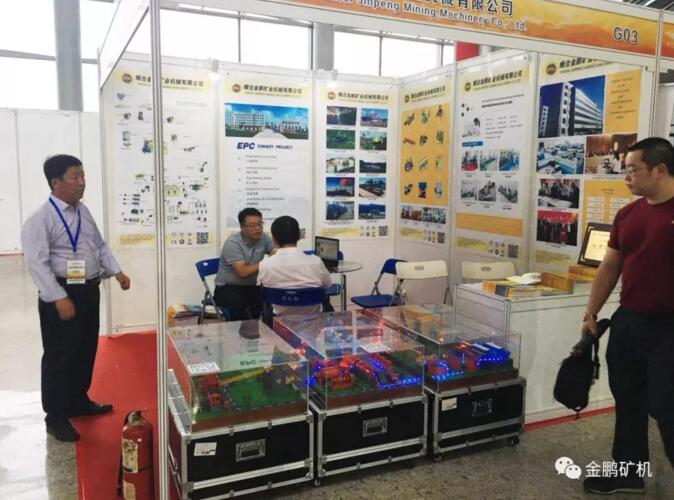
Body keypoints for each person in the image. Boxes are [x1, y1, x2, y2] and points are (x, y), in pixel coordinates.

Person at [581, 137, 674, 495]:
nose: (626, 177)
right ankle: (628, 471)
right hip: (630, 321)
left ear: (659, 169)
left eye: (633, 169)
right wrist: (591, 312)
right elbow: (610, 266)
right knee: (628, 399)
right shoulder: (628, 214)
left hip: (669, 328)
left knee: (667, 407)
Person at [21, 154, 131, 442]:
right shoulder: (41, 218)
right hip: (62, 293)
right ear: (56, 182)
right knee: (60, 356)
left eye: (83, 176)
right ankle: (56, 417)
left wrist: (117, 272)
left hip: (87, 291)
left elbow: (99, 245)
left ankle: (78, 401)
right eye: (75, 177)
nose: (82, 182)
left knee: (84, 349)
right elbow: (37, 263)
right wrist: (58, 297)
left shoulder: (83, 212)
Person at [257, 216, 332, 318]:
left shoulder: (265, 265)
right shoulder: (316, 262)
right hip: (314, 320)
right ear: (299, 236)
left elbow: (263, 290)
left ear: (273, 239)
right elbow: (327, 285)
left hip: (279, 322)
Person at [214, 207, 275, 321]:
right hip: (227, 289)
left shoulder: (264, 238)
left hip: (250, 287)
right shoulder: (233, 243)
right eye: (252, 225)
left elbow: (277, 255)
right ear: (242, 227)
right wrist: (267, 262)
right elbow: (242, 272)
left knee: (271, 299)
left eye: (260, 224)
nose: (258, 228)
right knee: (241, 311)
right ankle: (241, 331)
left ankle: (265, 330)